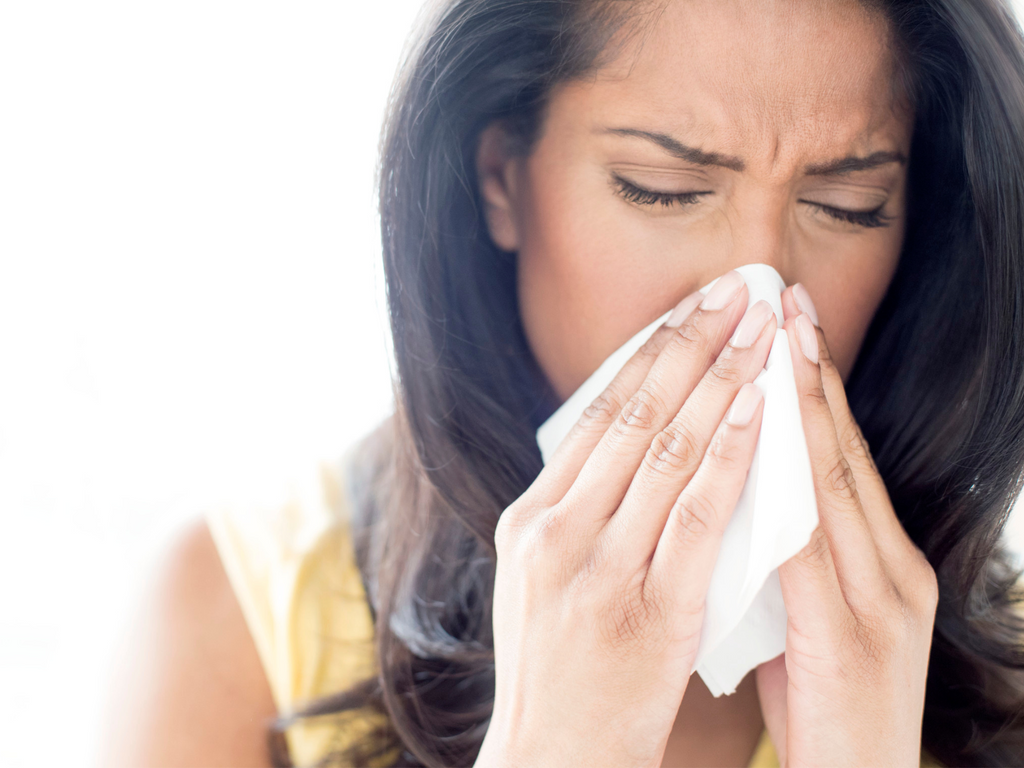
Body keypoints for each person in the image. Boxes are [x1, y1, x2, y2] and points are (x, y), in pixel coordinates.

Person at [99, 0, 1024, 766]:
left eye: (845, 206)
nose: (757, 296)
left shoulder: (1003, 667)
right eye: (660, 188)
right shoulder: (236, 617)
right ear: (501, 176)